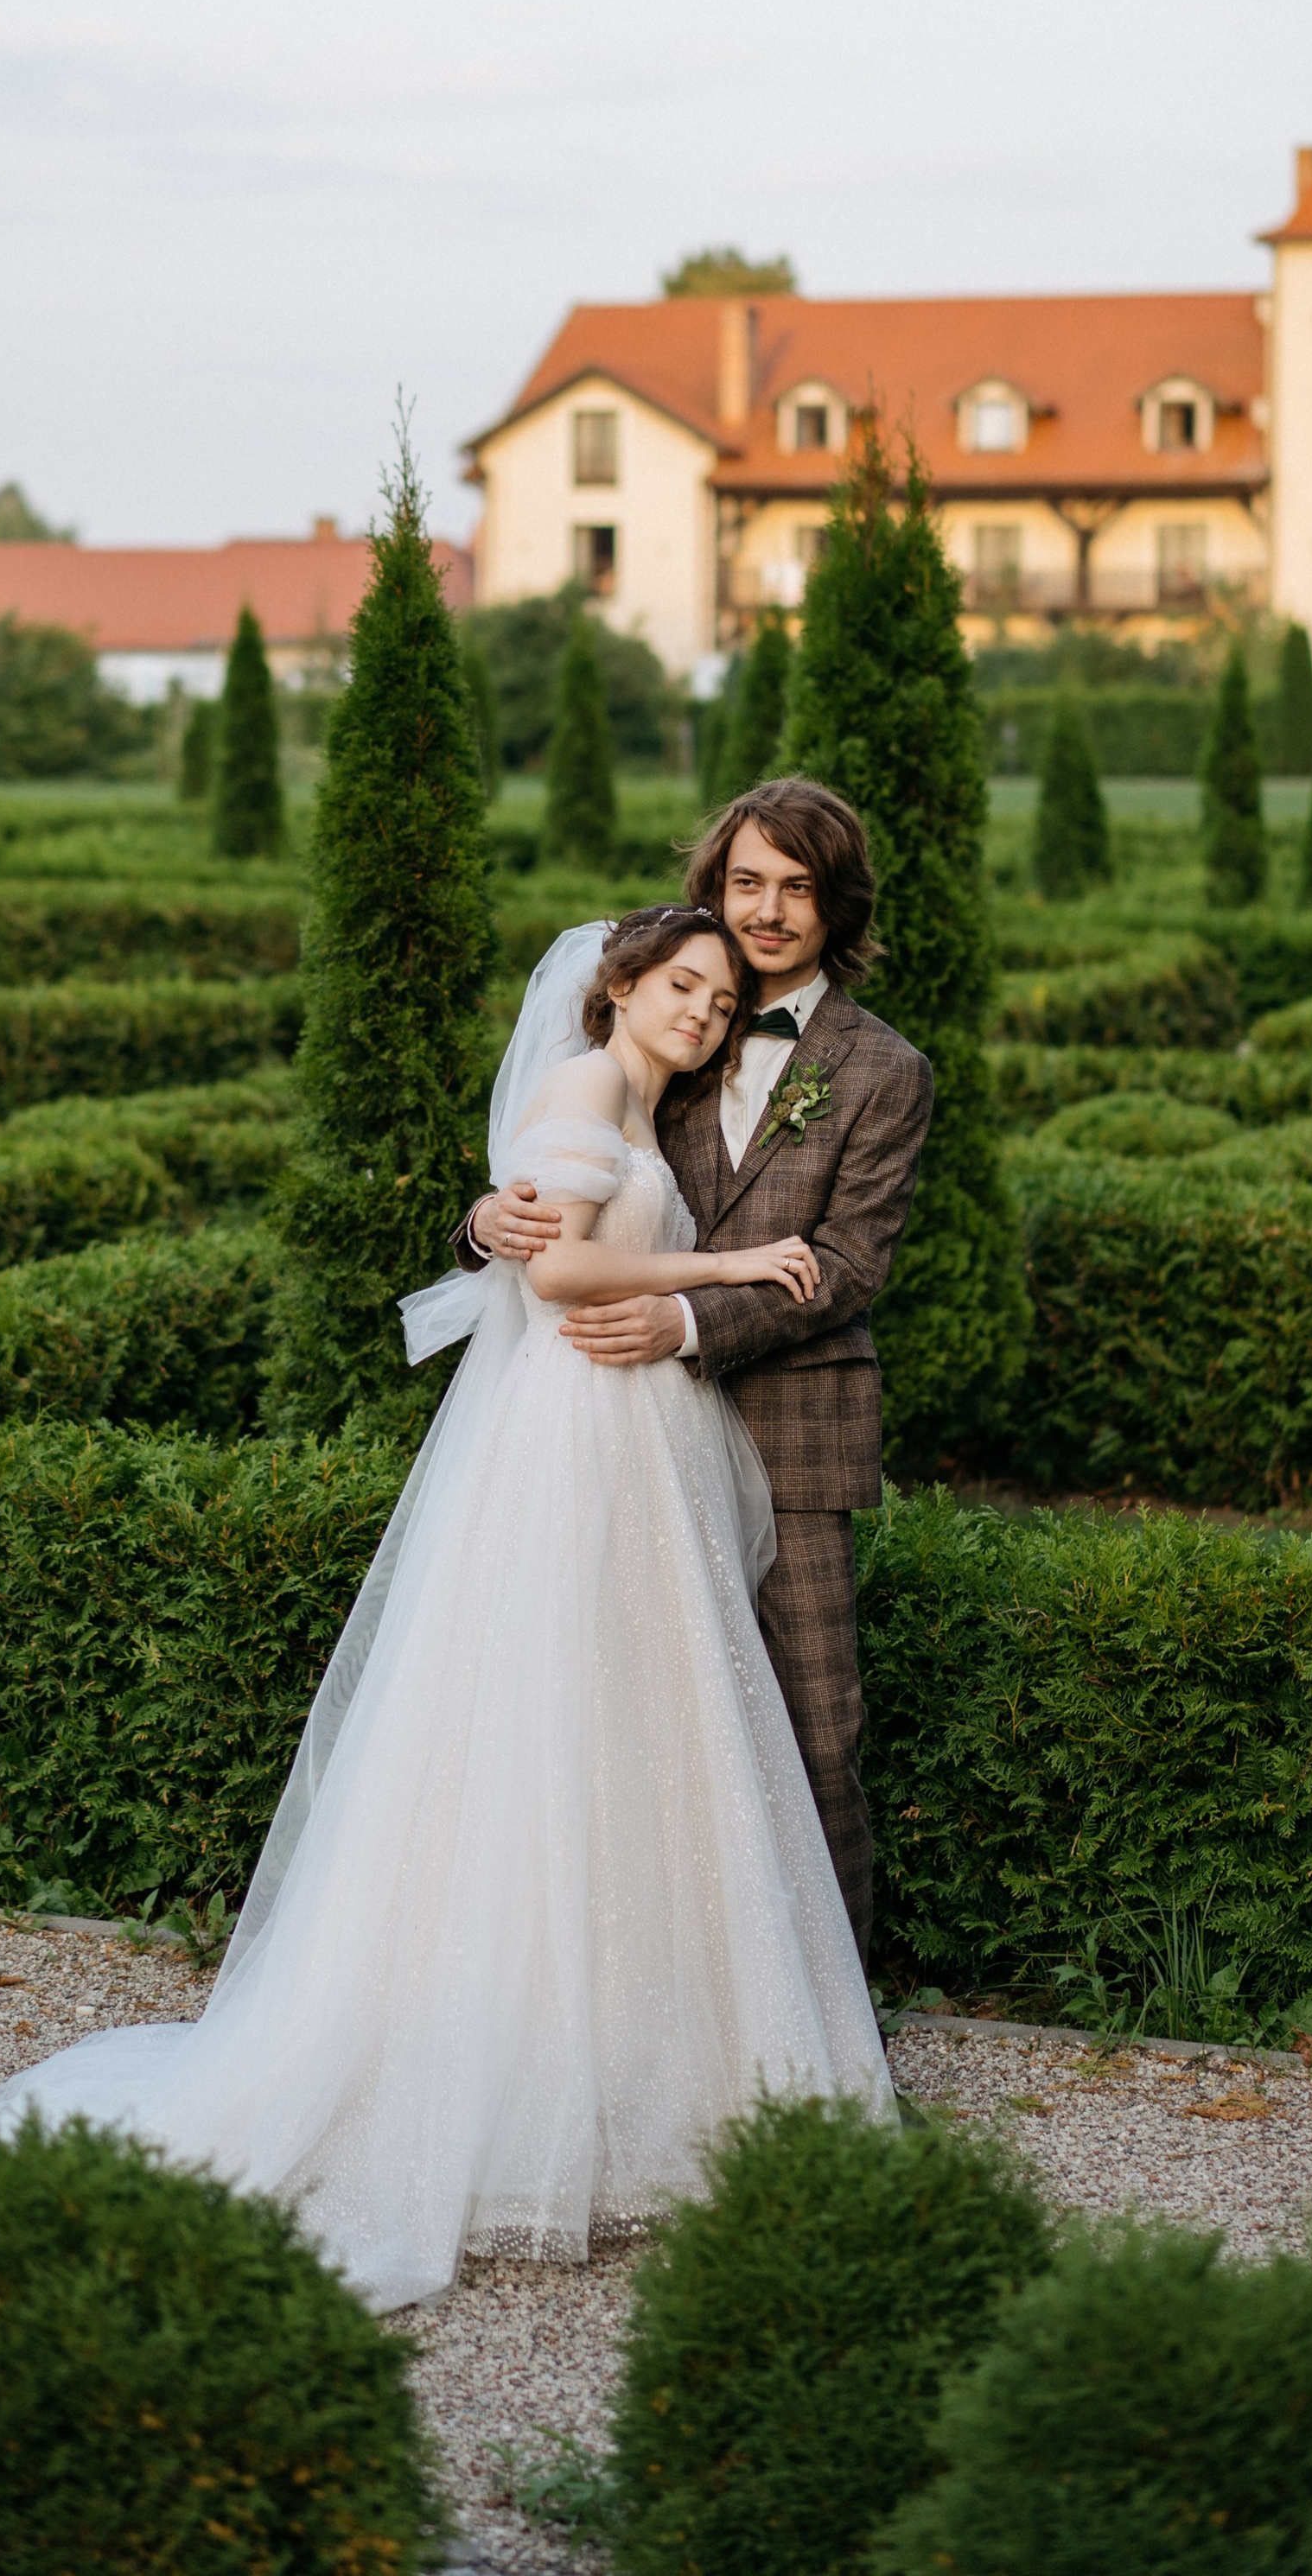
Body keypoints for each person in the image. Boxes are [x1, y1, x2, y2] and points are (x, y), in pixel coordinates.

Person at [0, 902, 892, 2310]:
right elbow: (559, 1264)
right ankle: (497, 2066)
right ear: (621, 985)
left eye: (720, 1001)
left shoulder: (661, 1101)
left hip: (635, 1434)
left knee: (635, 1736)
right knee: (538, 1727)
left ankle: (633, 2053)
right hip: (573, 1436)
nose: (704, 1014)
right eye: (682, 987)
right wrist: (716, 1264)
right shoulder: (587, 1085)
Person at [460, 778, 934, 1963]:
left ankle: (826, 2019)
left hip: (790, 1433)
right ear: (715, 890)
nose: (768, 910)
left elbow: (847, 1265)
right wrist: (485, 1221)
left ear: (836, 905)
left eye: (797, 888)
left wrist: (685, 1324)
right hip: (621, 1435)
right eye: (746, 882)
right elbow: (569, 1174)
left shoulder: (884, 1070)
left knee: (815, 1729)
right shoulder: (672, 1020)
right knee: (634, 1730)